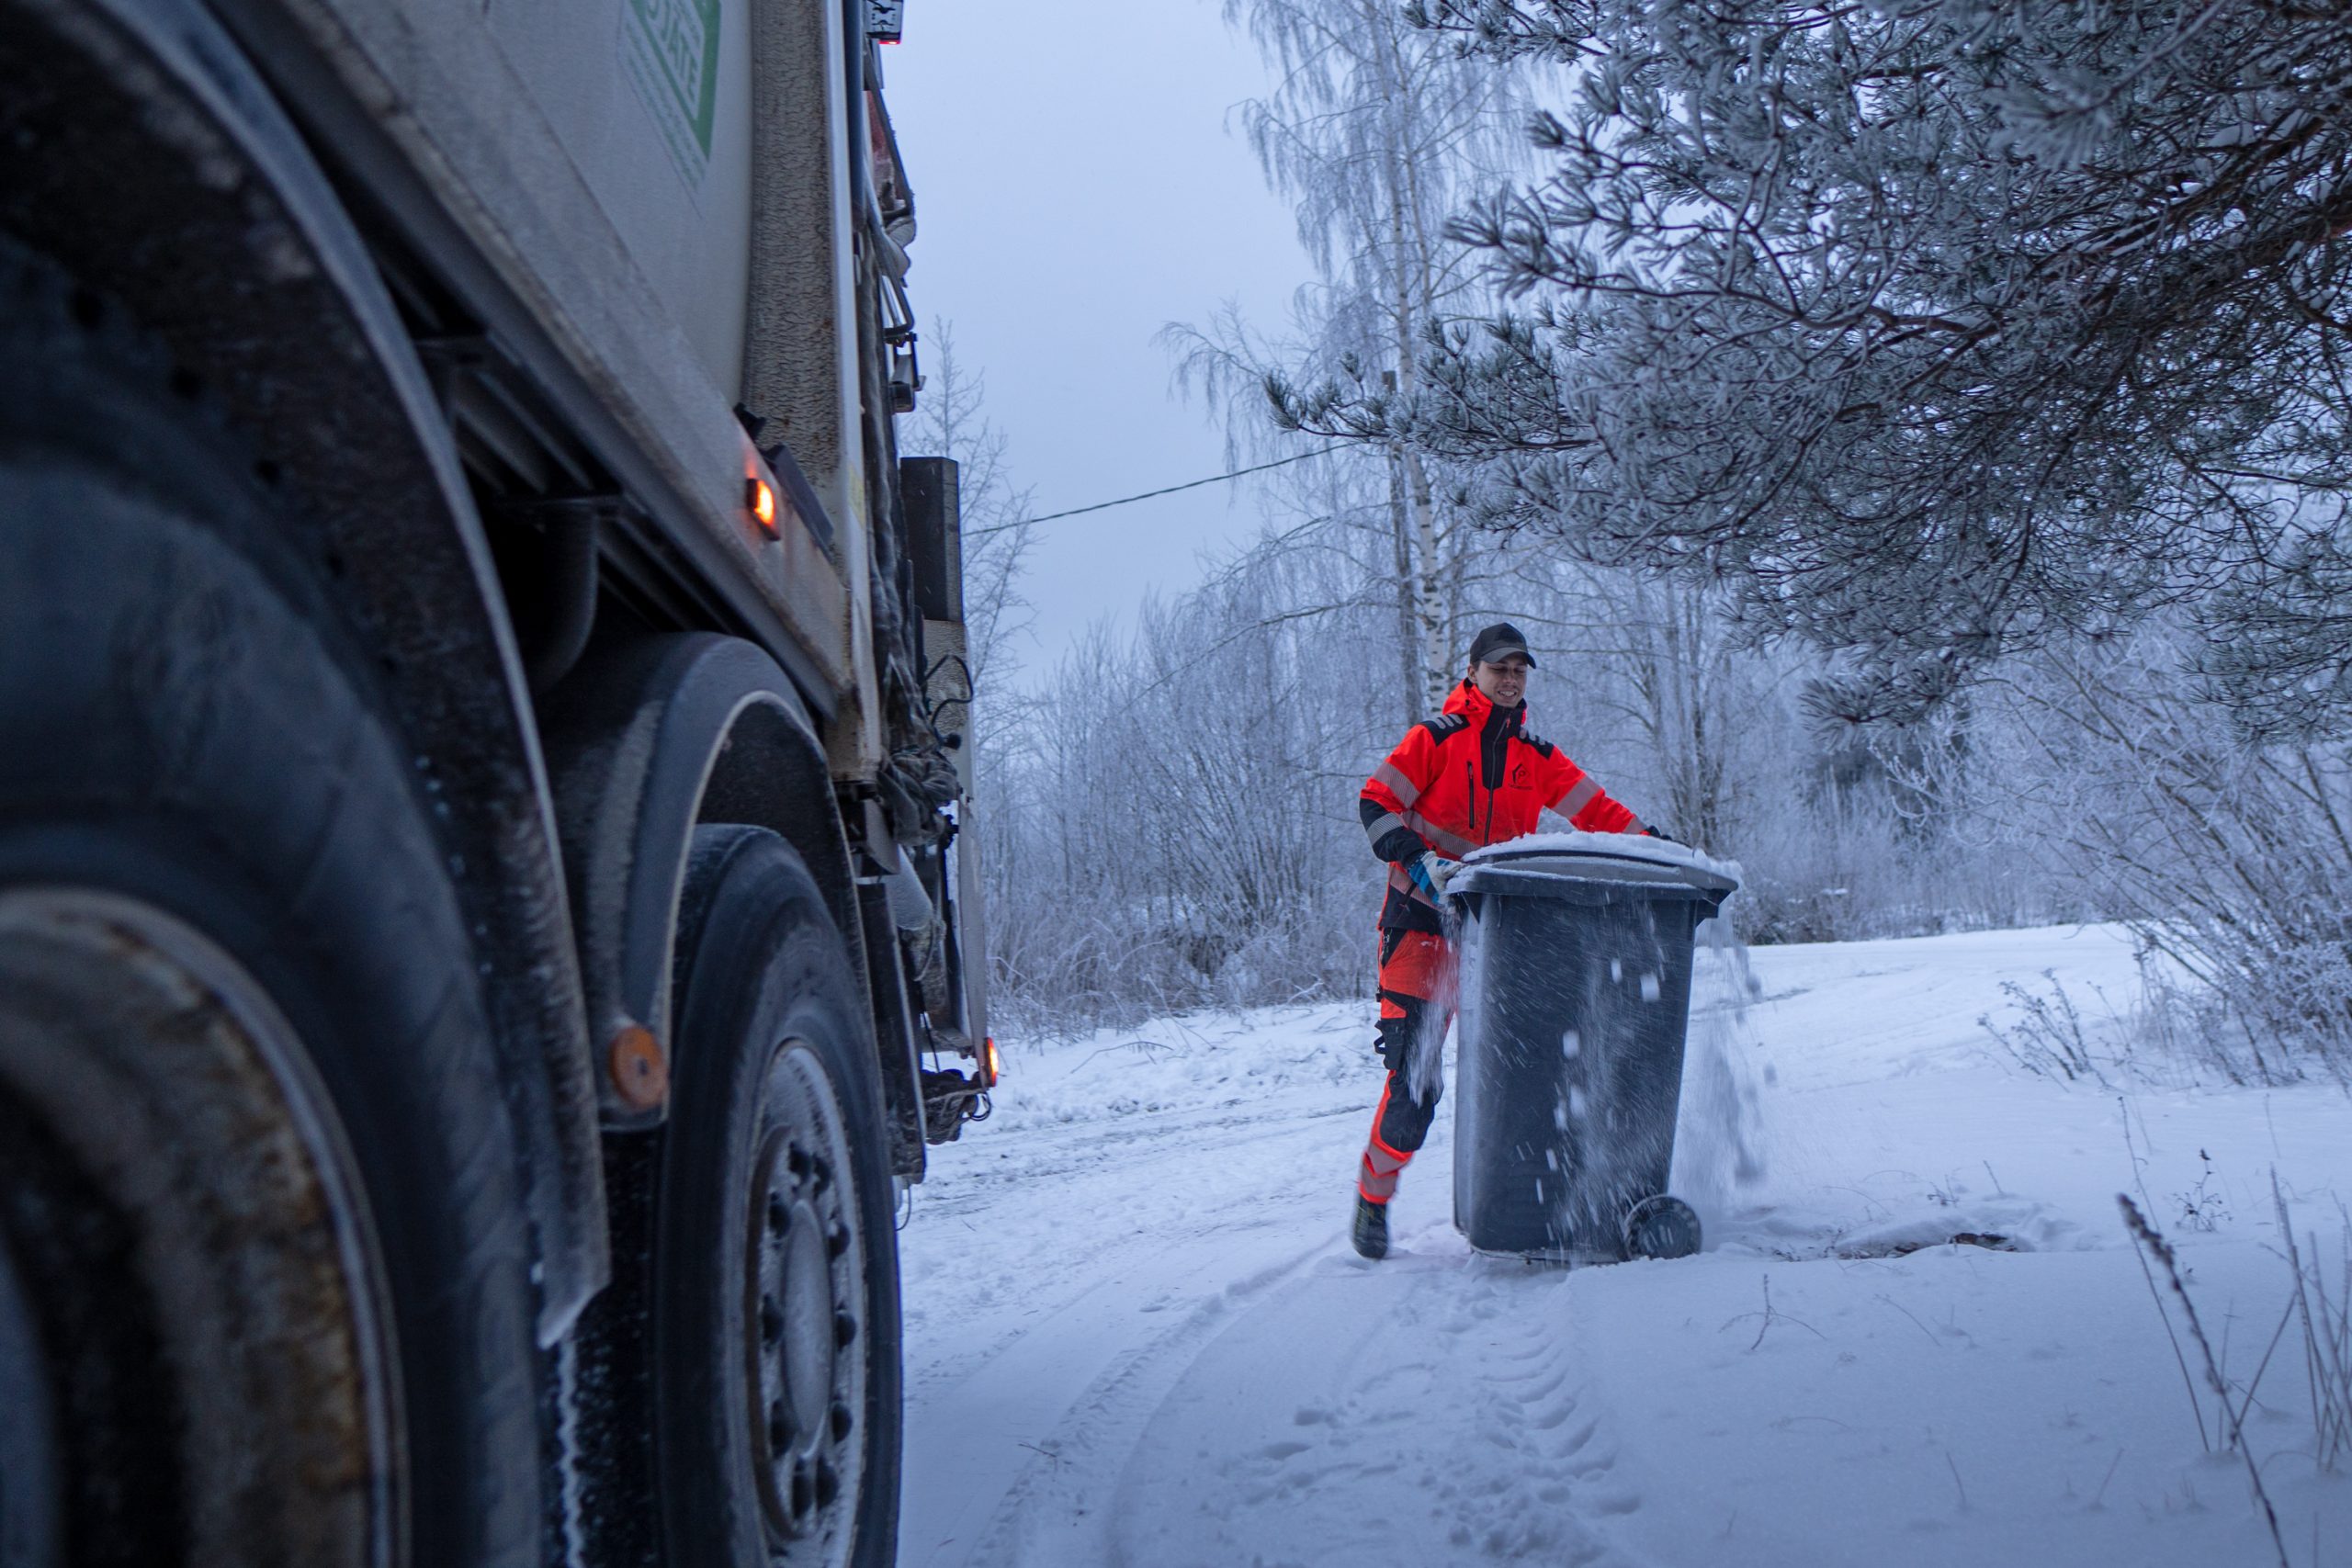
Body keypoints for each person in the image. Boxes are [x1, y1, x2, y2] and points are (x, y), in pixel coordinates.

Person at [1350, 621, 1662, 1259]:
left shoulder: (1537, 757)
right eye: (1500, 668)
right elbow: (1375, 802)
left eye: (1520, 670)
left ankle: (1525, 1206)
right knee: (1415, 1091)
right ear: (1473, 673)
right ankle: (1372, 1198)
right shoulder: (1435, 739)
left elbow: (1601, 813)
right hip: (1421, 931)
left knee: (1528, 1077)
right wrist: (1417, 860)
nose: (1511, 679)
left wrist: (1661, 849)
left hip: (1502, 939)